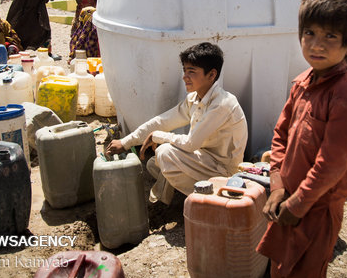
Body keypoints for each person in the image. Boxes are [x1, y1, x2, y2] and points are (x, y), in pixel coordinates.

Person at [256, 0, 347, 278]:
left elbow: (331, 164)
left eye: (330, 36)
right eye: (309, 33)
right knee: (280, 271)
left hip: (317, 208)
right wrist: (279, 186)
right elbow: (280, 135)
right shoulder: (302, 83)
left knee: (304, 277)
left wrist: (298, 204)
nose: (316, 45)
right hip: (289, 200)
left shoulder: (345, 98)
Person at [105, 42, 248, 205]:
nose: (184, 77)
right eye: (185, 71)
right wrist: (125, 142)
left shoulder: (222, 104)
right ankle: (187, 194)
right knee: (154, 164)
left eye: (191, 72)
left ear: (211, 75)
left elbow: (191, 144)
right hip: (205, 161)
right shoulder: (194, 99)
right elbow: (162, 122)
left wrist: (159, 136)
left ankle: (212, 200)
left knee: (165, 153)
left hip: (223, 170)